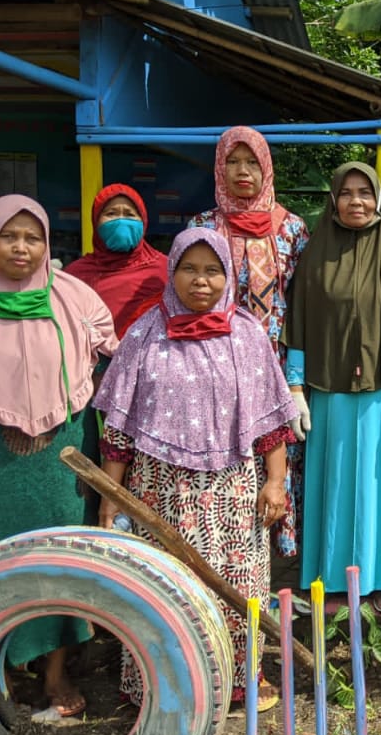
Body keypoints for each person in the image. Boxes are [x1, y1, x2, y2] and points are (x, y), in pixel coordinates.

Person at [94, 229, 297, 710]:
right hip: (159, 491)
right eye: (189, 268)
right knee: (160, 584)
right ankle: (157, 683)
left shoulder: (247, 335)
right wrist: (109, 499)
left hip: (232, 493)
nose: (200, 281)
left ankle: (237, 681)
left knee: (237, 584)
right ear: (172, 272)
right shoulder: (144, 334)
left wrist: (275, 482)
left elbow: (272, 425)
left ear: (228, 276)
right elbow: (119, 431)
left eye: (213, 270)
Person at [0, 194, 117, 717]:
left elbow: (109, 367)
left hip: (59, 456)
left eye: (33, 237)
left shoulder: (77, 299)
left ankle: (54, 673)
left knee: (61, 553)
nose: (21, 247)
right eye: (9, 236)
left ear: (47, 243)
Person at [285, 162, 381, 602]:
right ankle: (331, 579)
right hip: (330, 391)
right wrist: (294, 387)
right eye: (346, 193)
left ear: (379, 198)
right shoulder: (315, 256)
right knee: (338, 482)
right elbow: (300, 323)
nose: (356, 202)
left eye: (364, 192)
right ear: (333, 200)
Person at [189, 126, 310, 557]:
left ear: (266, 168)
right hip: (218, 361)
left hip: (278, 362)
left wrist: (295, 377)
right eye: (232, 163)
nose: (243, 172)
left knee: (281, 452)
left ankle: (281, 550)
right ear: (219, 170)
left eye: (252, 162)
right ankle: (229, 545)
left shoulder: (292, 229)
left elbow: (303, 303)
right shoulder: (204, 226)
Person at [65, 184, 169, 339]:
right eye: (111, 213)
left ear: (144, 221)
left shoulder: (165, 269)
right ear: (95, 221)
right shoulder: (75, 275)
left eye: (129, 214)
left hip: (149, 360)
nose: (121, 221)